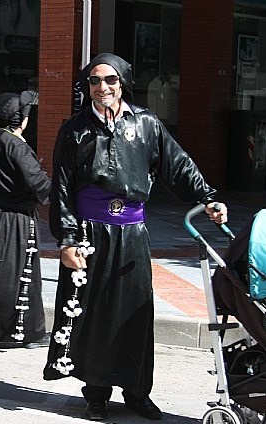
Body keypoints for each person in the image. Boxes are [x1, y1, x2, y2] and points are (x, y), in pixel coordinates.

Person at [42, 53, 228, 421]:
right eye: (94, 82)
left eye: (109, 80)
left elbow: (177, 165)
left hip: (132, 235)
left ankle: (137, 392)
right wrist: (65, 241)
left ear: (123, 82)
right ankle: (95, 392)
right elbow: (61, 188)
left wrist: (207, 197)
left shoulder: (146, 124)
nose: (102, 88)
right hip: (88, 233)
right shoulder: (75, 129)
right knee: (93, 313)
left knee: (135, 314)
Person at [0, 92, 51, 349]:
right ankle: (15, 333)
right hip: (15, 219)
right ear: (20, 119)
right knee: (15, 276)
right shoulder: (15, 145)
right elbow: (39, 185)